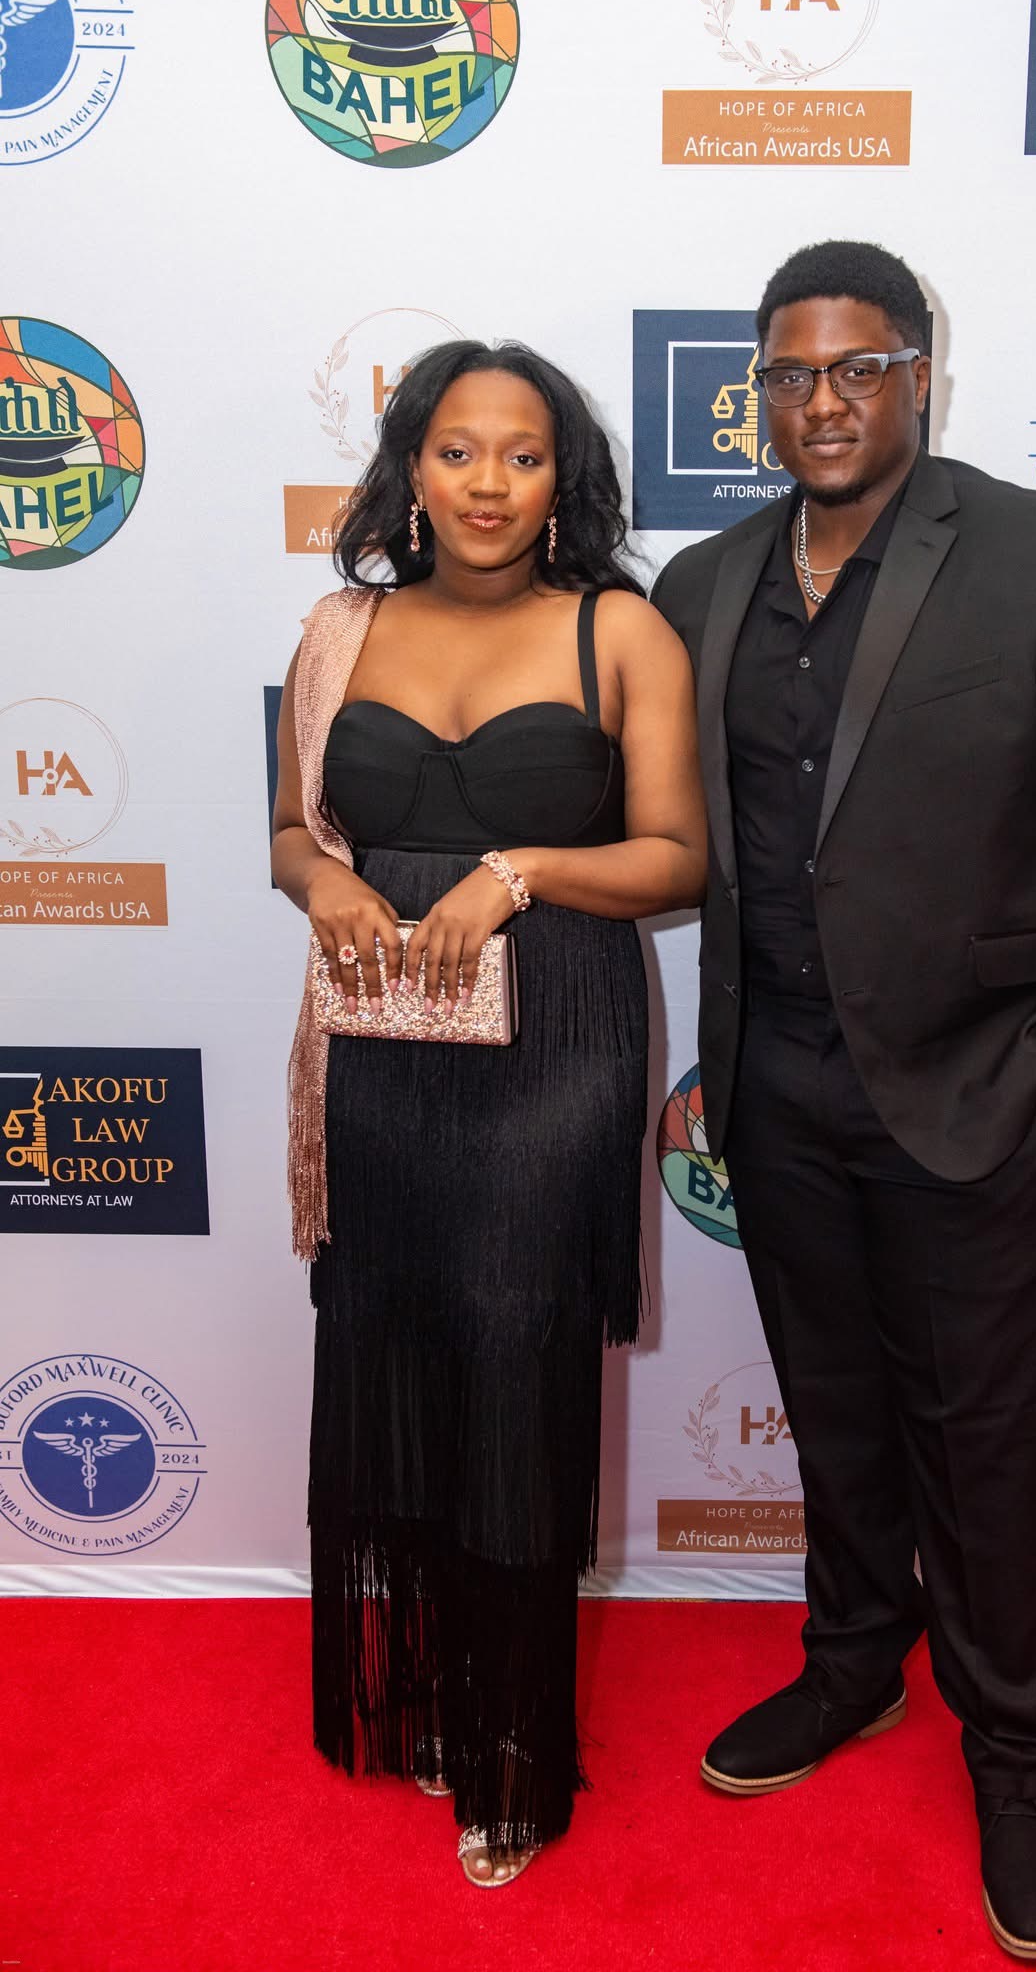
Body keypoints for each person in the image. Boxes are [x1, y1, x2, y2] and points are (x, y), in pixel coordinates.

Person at [652, 241, 1036, 1961]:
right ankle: (850, 1666)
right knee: (833, 1407)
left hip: (978, 1089)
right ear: (758, 391)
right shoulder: (706, 581)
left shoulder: (1033, 551)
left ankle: (1018, 1754)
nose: (821, 402)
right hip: (773, 1088)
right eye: (789, 374)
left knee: (978, 1438)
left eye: (857, 369)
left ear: (919, 375)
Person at [272, 339, 707, 1885]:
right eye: (458, 451)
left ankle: (512, 1749)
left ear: (561, 480)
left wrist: (517, 873)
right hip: (383, 1047)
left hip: (556, 1051)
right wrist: (321, 882)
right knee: (396, 1358)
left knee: (516, 1368)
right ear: (411, 467)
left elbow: (677, 857)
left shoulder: (618, 629)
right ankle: (434, 1697)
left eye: (523, 456)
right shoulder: (340, 629)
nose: (488, 484)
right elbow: (291, 832)